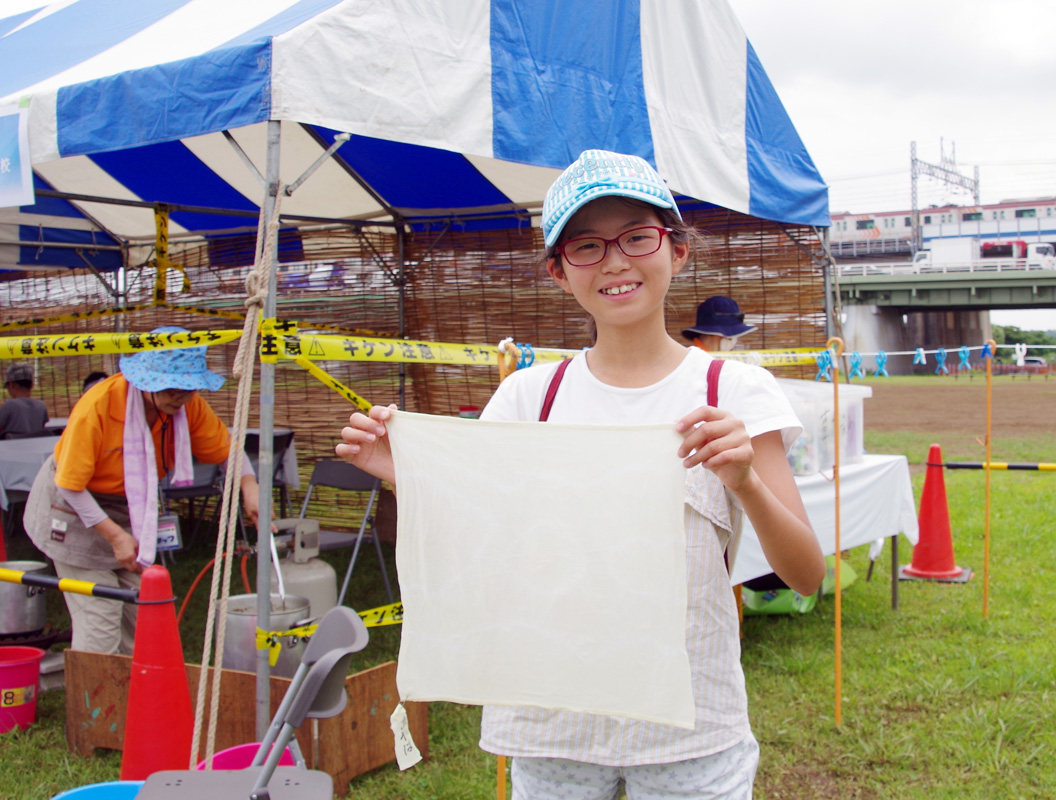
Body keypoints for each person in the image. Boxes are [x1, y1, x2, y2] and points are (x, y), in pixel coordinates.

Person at [337, 149, 824, 799]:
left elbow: (806, 575)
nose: (616, 261)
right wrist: (409, 476)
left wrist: (745, 483)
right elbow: (481, 544)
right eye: (586, 246)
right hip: (552, 723)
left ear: (676, 249)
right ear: (558, 272)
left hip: (690, 730)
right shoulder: (527, 398)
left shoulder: (733, 391)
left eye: (636, 236)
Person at [25, 328, 262, 655]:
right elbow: (69, 485)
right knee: (100, 619)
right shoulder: (97, 407)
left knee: (146, 613)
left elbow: (228, 452)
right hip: (72, 506)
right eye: (172, 389)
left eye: (189, 390)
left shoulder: (185, 406)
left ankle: (139, 700)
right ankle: (95, 703)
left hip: (128, 507)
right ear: (145, 381)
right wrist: (115, 536)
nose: (181, 398)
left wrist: (249, 485)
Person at [682, 296, 757, 352]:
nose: (733, 342)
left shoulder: (722, 361)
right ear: (714, 335)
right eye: (731, 338)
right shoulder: (693, 363)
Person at [0, 363, 49, 437]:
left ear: (11, 384)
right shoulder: (41, 405)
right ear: (32, 385)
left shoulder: (9, 406)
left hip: (11, 447)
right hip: (36, 446)